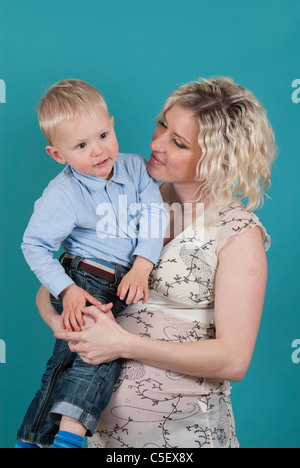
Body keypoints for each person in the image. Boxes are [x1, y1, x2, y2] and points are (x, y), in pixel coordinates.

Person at [37, 76, 277, 448]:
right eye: (162, 125)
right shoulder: (123, 194)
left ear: (217, 158)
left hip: (184, 440)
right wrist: (68, 325)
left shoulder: (237, 233)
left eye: (178, 142)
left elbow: (233, 360)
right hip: (98, 436)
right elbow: (54, 286)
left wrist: (120, 344)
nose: (155, 144)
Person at [16, 79, 168, 448]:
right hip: (82, 278)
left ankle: (32, 439)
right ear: (57, 154)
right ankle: (69, 439)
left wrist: (142, 267)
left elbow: (154, 216)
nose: (98, 151)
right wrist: (66, 291)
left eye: (102, 135)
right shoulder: (64, 192)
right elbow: (34, 245)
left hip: (122, 277)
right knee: (98, 355)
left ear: (113, 124)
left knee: (64, 365)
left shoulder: (135, 169)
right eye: (81, 145)